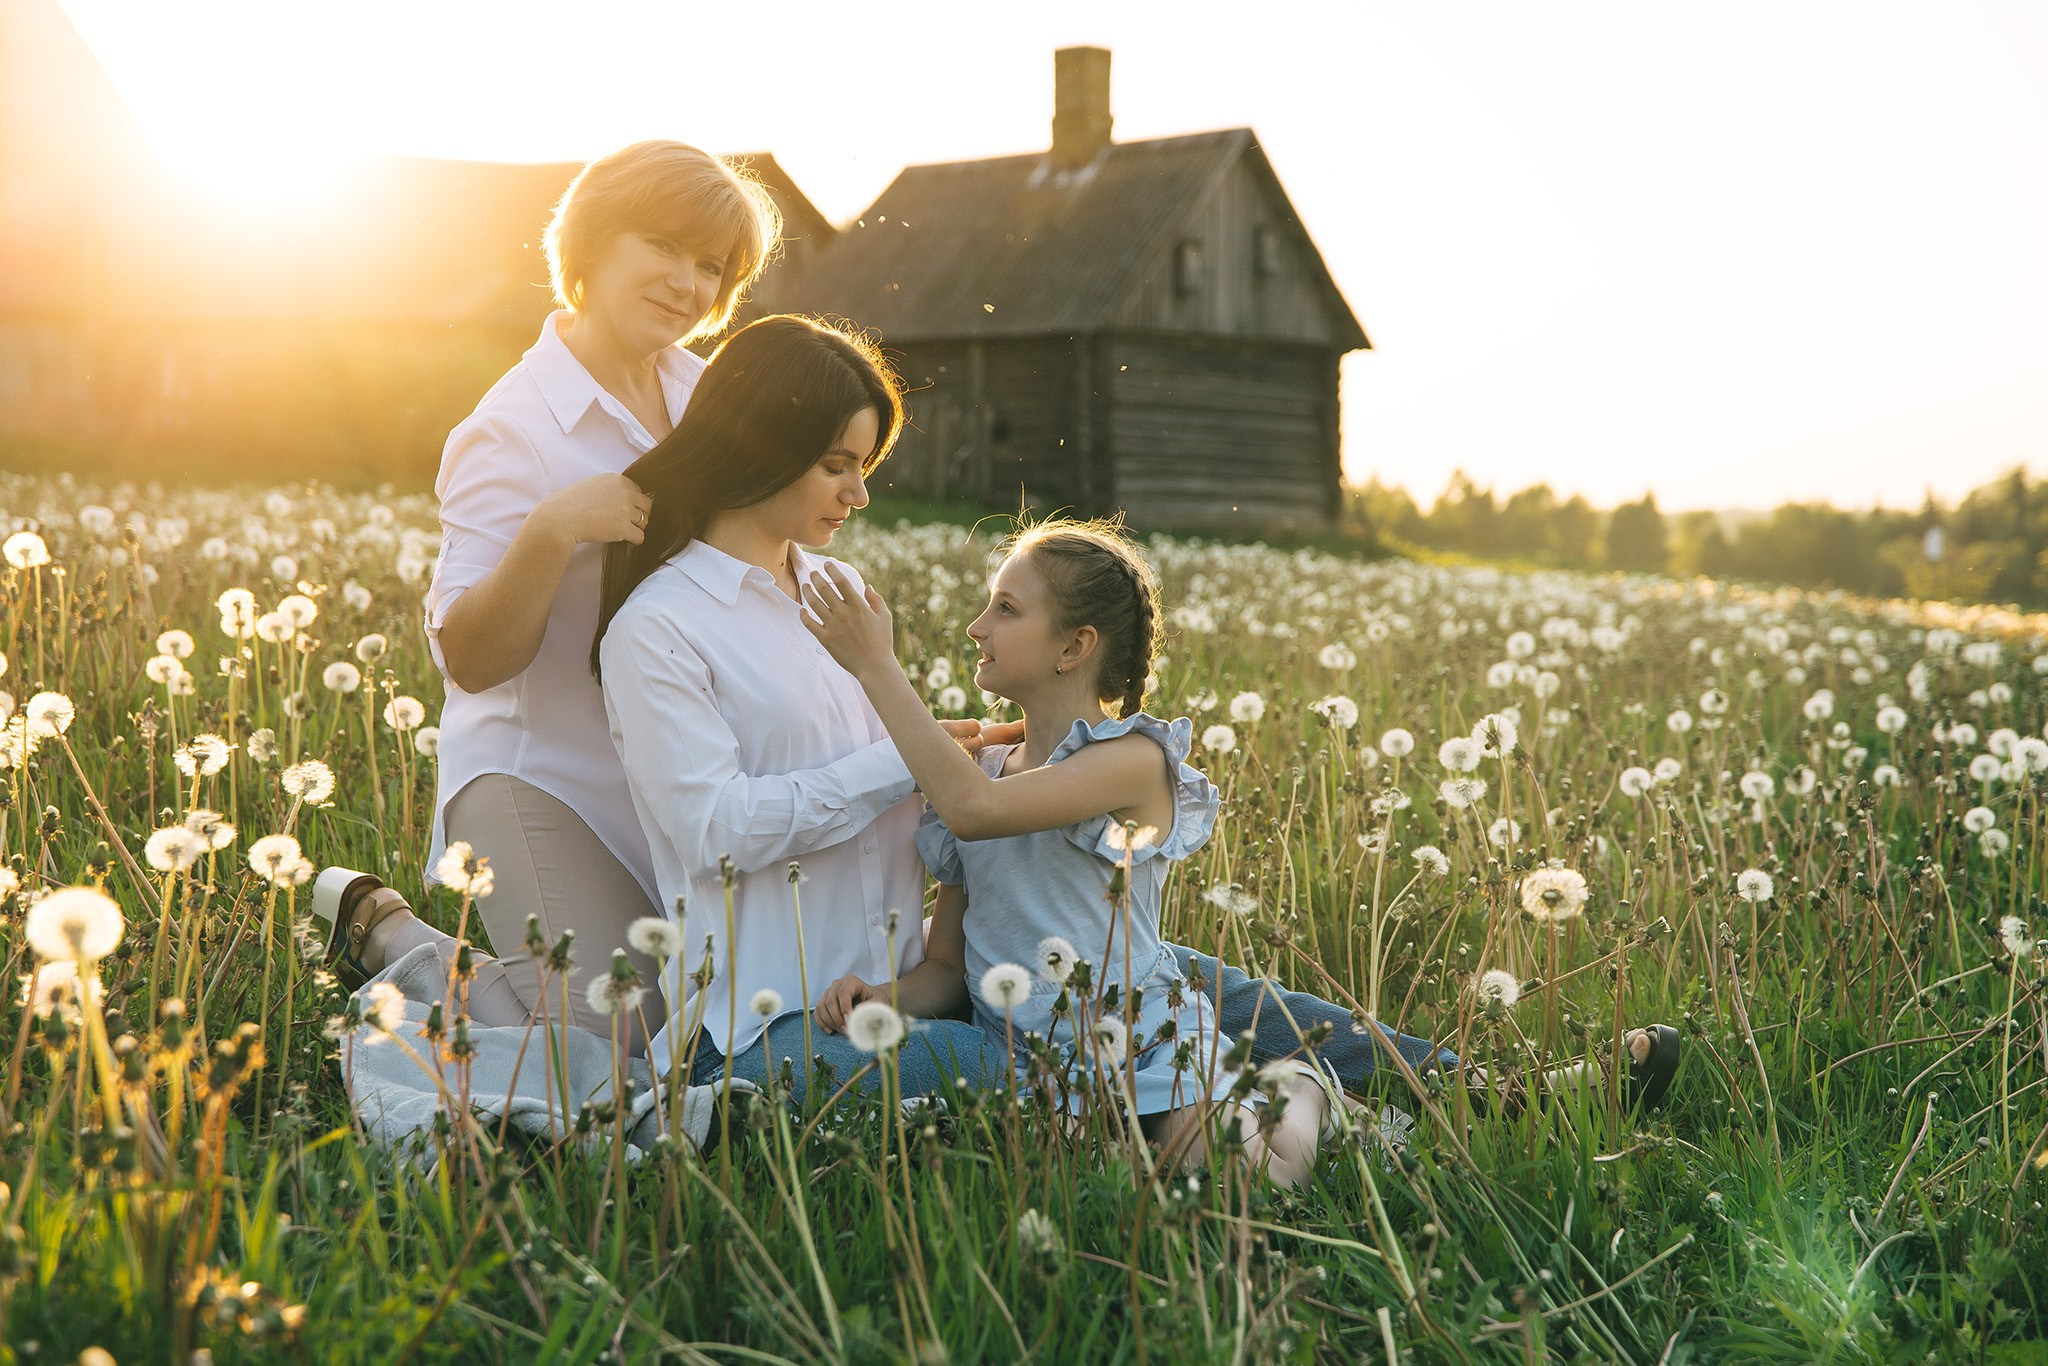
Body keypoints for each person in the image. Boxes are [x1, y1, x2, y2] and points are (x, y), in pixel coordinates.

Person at [315, 142, 780, 1047]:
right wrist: (551, 530)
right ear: (593, 242)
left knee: (709, 1028)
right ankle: (392, 940)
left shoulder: (712, 400)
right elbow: (470, 657)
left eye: (710, 265)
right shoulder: (511, 430)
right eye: (663, 246)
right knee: (610, 1042)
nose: (686, 283)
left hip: (676, 769)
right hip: (541, 775)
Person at [801, 518, 1340, 1185]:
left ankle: (1303, 1087)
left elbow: (976, 812)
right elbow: (947, 968)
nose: (976, 627)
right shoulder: (983, 773)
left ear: (1075, 645)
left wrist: (877, 667)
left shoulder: (1132, 762)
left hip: (1147, 1038)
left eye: (1006, 609)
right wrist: (882, 997)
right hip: (1029, 1063)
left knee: (1248, 1178)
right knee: (1087, 1174)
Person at [593, 313, 1011, 1102]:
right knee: (1026, 1060)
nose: (860, 493)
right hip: (760, 1027)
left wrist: (993, 760)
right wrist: (900, 763)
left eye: (864, 466)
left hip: (896, 991)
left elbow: (897, 796)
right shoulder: (659, 626)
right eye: (834, 466)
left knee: (1155, 989)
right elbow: (715, 831)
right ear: (757, 445)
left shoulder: (839, 589)